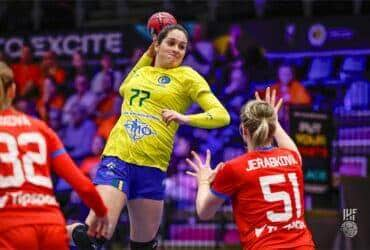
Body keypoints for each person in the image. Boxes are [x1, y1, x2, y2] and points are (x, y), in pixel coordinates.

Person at [68, 24, 230, 250]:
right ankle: (53, 232)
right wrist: (148, 54)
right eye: (171, 43)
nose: (176, 50)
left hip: (153, 168)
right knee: (94, 237)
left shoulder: (188, 76)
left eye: (182, 46)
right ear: (157, 45)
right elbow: (124, 89)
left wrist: (184, 118)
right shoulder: (142, 71)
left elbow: (221, 116)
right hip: (119, 158)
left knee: (144, 246)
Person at [187, 87, 315, 250]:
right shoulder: (292, 159)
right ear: (271, 128)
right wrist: (274, 122)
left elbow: (204, 212)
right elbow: (294, 151)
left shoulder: (234, 168)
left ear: (244, 131)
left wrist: (204, 181)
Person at [0, 62, 109, 250]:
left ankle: (70, 232)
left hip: (10, 229)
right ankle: (69, 232)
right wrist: (101, 213)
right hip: (50, 225)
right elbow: (83, 185)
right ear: (13, 91)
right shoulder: (41, 129)